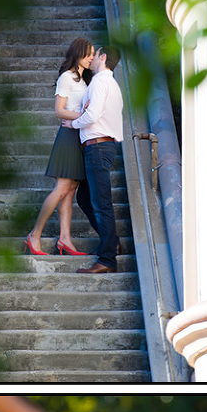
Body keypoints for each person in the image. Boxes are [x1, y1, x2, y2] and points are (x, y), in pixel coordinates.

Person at [23, 39, 98, 264]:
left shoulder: (84, 80)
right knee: (62, 187)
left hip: (80, 136)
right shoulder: (66, 77)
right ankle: (34, 235)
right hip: (68, 136)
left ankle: (65, 239)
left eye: (93, 54)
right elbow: (59, 110)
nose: (92, 58)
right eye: (88, 54)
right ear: (78, 54)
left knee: (71, 189)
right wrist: (84, 116)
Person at [77, 50, 125, 276]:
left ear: (103, 57)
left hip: (97, 147)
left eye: (94, 54)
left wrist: (73, 122)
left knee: (101, 204)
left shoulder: (99, 82)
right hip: (102, 147)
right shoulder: (111, 84)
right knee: (85, 198)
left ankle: (107, 259)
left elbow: (93, 115)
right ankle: (111, 243)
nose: (91, 58)